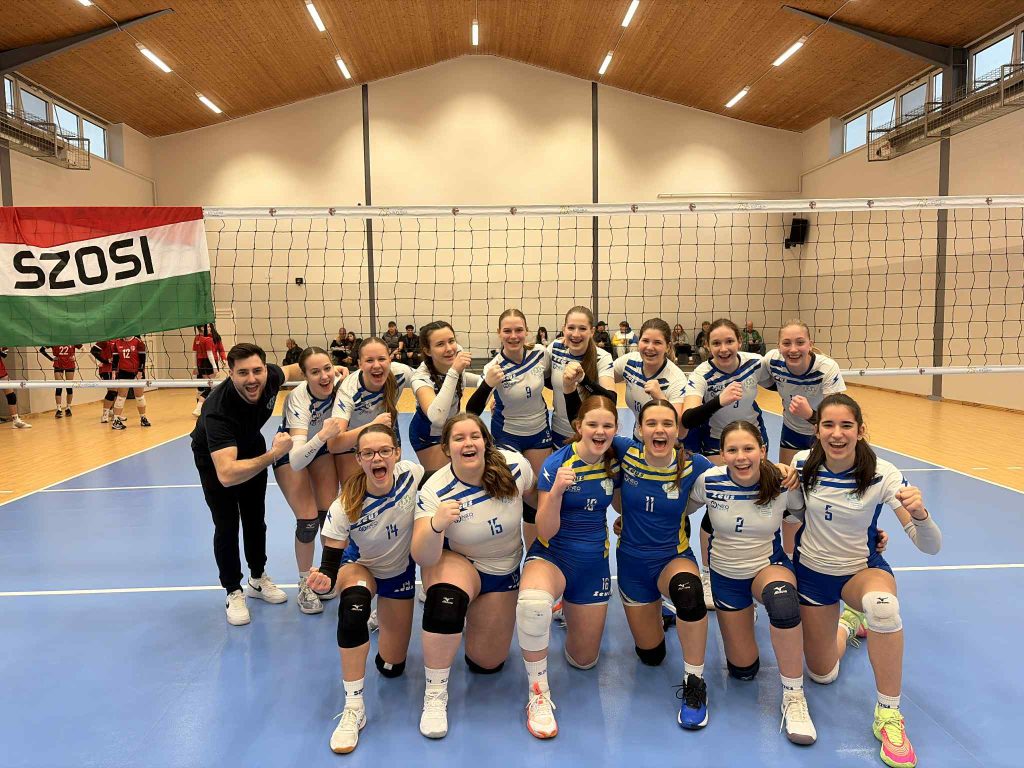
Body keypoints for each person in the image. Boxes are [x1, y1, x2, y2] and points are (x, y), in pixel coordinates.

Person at [788, 393, 941, 768]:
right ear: (817, 430)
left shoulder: (882, 473)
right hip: (813, 574)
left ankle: (889, 714)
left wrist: (920, 515)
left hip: (861, 570)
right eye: (828, 425)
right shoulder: (802, 464)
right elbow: (793, 516)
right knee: (822, 674)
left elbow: (930, 546)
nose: (837, 434)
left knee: (883, 607)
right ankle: (847, 623)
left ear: (859, 430)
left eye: (846, 425)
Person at [687, 420, 815, 743]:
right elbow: (677, 510)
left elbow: (809, 517)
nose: (741, 457)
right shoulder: (709, 481)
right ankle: (745, 615)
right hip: (726, 576)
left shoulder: (782, 482)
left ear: (763, 450)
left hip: (766, 566)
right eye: (732, 450)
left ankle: (794, 696)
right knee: (743, 671)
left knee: (783, 603)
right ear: (722, 454)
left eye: (748, 448)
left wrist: (873, 538)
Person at [412, 414, 534, 738]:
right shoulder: (436, 488)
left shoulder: (515, 467)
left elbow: (538, 503)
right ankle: (435, 694)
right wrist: (436, 524)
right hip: (459, 561)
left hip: (503, 570)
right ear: (446, 448)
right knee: (445, 603)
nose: (468, 443)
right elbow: (422, 555)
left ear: (485, 442)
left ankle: (471, 617)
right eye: (459, 438)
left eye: (474, 436)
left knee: (487, 664)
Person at [307, 424, 423, 753]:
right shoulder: (345, 503)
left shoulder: (412, 475)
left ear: (397, 453)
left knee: (391, 667)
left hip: (398, 573)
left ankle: (381, 616)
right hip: (361, 566)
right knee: (353, 607)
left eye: (384, 451)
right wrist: (324, 581)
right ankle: (354, 706)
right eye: (368, 453)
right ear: (358, 459)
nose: (377, 458)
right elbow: (330, 564)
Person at [515, 395, 621, 739]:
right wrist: (558, 491)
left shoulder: (616, 458)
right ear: (578, 427)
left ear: (616, 429)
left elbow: (623, 501)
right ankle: (538, 693)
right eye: (592, 424)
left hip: (593, 564)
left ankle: (565, 609)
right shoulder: (556, 464)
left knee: (584, 661)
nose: (600, 431)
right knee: (532, 605)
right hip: (554, 556)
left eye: (607, 425)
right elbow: (545, 531)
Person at [611, 400, 712, 728]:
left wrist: (779, 472)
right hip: (632, 564)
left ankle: (695, 681)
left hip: (673, 558)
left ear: (677, 430)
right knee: (651, 656)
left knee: (690, 595)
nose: (659, 430)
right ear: (639, 429)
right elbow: (584, 435)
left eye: (667, 423)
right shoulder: (624, 452)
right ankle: (661, 613)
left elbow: (737, 474)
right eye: (651, 423)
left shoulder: (694, 465)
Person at [191, 342, 304, 626]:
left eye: (257, 371)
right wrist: (274, 455)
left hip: (251, 443)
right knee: (227, 524)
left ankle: (257, 578)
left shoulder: (271, 377)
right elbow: (227, 474)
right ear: (230, 374)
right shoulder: (218, 410)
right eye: (243, 373)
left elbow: (296, 368)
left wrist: (331, 370)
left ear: (265, 369)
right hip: (215, 459)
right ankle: (233, 590)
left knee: (255, 518)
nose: (252, 379)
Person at [681, 318, 768, 609]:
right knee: (719, 507)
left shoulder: (756, 363)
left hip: (755, 439)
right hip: (717, 443)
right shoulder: (702, 373)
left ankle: (752, 570)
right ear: (707, 346)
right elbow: (688, 418)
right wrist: (719, 399)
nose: (723, 348)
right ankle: (708, 574)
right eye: (716, 343)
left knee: (753, 504)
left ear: (739, 342)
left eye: (729, 341)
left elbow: (783, 371)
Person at [761, 320, 846, 556]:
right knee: (789, 492)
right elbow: (755, 375)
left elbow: (839, 418)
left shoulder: (826, 368)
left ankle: (829, 550)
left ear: (810, 344)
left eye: (800, 342)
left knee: (823, 495)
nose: (793, 349)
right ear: (779, 346)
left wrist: (809, 415)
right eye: (786, 343)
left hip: (825, 437)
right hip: (792, 432)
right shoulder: (772, 361)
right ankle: (790, 556)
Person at [271, 346, 345, 615]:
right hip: (292, 452)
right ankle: (304, 583)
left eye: (327, 368)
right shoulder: (298, 399)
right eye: (315, 372)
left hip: (321, 450)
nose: (324, 376)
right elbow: (297, 459)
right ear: (304, 375)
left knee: (330, 517)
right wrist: (323, 435)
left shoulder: (342, 383)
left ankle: (325, 575)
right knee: (308, 522)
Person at [466, 309, 548, 548]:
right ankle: (506, 549)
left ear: (527, 332)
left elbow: (553, 381)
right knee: (508, 496)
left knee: (536, 497)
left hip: (539, 432)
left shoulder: (541, 354)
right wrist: (487, 385)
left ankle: (535, 554)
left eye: (519, 330)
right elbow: (471, 410)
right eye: (508, 331)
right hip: (507, 436)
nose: (514, 336)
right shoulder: (493, 367)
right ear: (499, 333)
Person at [328, 337, 413, 482]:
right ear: (360, 364)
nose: (376, 365)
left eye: (382, 359)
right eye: (369, 360)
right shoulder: (348, 391)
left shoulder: (400, 373)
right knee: (355, 491)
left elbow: (427, 380)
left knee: (389, 486)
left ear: (390, 360)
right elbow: (334, 445)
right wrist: (373, 425)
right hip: (352, 439)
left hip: (386, 431)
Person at [409, 321, 483, 473]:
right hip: (428, 436)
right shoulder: (421, 378)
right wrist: (454, 372)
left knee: (468, 472)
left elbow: (463, 378)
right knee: (443, 479)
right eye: (440, 344)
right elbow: (437, 418)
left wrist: (485, 382)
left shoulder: (457, 352)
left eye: (451, 341)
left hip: (452, 429)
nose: (449, 348)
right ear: (427, 351)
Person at [544, 306, 615, 446]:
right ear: (564, 329)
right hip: (559, 431)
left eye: (582, 329)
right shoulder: (555, 348)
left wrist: (583, 380)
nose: (576, 334)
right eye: (571, 328)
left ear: (592, 332)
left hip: (591, 435)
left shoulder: (602, 357)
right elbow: (544, 380)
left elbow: (611, 400)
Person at [612, 318, 688, 433]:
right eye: (645, 341)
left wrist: (660, 398)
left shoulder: (676, 379)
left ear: (668, 347)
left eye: (657, 342)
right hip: (638, 435)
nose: (650, 347)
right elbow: (602, 379)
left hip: (665, 440)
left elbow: (681, 432)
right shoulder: (629, 362)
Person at [109, 336, 151, 430]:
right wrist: (113, 371)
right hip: (124, 372)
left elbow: (142, 359)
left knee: (139, 396)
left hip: (137, 372)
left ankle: (143, 418)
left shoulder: (138, 342)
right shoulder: (117, 343)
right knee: (121, 396)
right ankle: (116, 420)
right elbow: (115, 359)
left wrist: (140, 371)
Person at [38, 344, 82, 417]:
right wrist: (51, 359)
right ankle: (59, 409)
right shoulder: (54, 340)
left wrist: (76, 358)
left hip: (70, 365)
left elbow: (84, 350)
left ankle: (68, 408)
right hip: (58, 365)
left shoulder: (72, 340)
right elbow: (41, 350)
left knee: (69, 387)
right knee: (59, 387)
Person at [0, 348, 31, 428]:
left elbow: (4, 355)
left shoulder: (3, 341)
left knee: (11, 396)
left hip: (1, 371)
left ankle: (16, 420)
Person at [193, 325, 218, 417]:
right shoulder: (208, 339)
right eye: (207, 327)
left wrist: (195, 366)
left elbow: (194, 353)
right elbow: (209, 353)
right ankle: (198, 409)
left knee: (208, 387)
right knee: (210, 388)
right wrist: (214, 366)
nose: (210, 328)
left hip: (201, 364)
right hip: (209, 363)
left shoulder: (197, 338)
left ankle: (202, 409)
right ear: (202, 328)